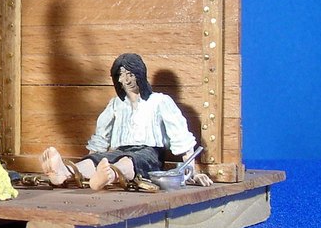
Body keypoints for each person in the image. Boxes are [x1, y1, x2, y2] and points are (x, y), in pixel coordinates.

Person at [41, 53, 213, 190]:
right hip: (120, 149)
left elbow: (180, 135)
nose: (127, 80)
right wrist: (93, 158)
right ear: (117, 80)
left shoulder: (160, 101)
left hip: (149, 153)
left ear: (140, 74)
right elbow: (102, 136)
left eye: (131, 74)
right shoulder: (116, 104)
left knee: (129, 161)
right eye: (122, 76)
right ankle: (65, 172)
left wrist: (192, 172)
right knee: (99, 159)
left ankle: (110, 175)